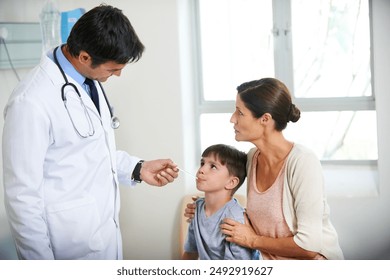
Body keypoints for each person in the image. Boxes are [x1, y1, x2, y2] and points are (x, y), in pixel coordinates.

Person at [2, 5, 179, 260]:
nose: (118, 74)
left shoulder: (87, 82)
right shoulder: (30, 102)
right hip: (66, 248)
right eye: (112, 69)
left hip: (102, 237)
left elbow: (89, 151)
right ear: (84, 57)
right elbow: (22, 198)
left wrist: (138, 168)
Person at [185, 78, 344, 260]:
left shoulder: (303, 162)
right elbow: (252, 209)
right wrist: (207, 209)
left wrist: (253, 240)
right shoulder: (252, 158)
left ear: (265, 119)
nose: (232, 119)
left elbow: (308, 247)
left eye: (240, 112)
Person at [182, 144, 257, 260]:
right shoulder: (196, 208)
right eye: (202, 163)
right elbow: (190, 253)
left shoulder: (234, 220)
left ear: (231, 182)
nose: (201, 170)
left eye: (213, 166)